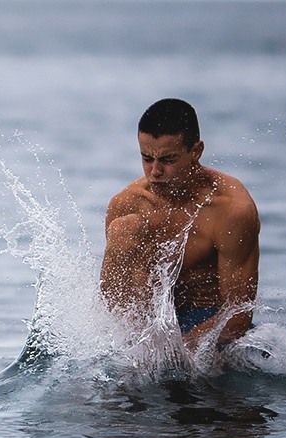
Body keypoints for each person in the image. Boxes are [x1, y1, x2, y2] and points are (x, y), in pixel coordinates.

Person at [101, 98, 260, 351]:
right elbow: (114, 301)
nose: (155, 171)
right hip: (151, 322)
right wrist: (136, 346)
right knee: (123, 229)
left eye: (168, 160)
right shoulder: (127, 203)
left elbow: (238, 315)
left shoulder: (230, 210)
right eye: (147, 158)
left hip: (210, 321)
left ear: (196, 151)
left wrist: (179, 352)